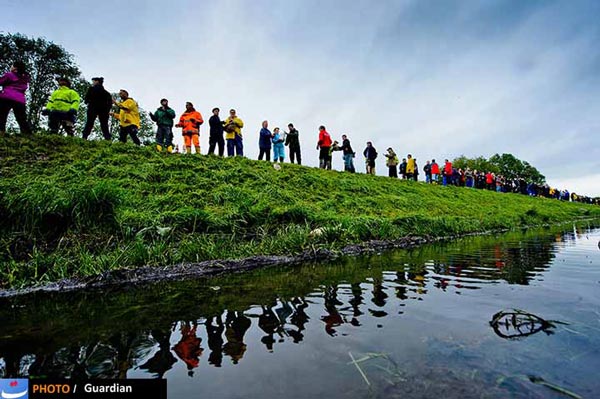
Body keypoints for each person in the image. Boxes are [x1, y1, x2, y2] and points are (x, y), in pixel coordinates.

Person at [0, 61, 31, 136]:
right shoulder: (25, 78)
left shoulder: (9, 75)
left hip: (7, 97)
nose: (11, 67)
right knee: (21, 118)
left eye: (12, 66)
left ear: (15, 68)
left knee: (2, 116)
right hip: (20, 99)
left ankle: (1, 132)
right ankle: (27, 134)